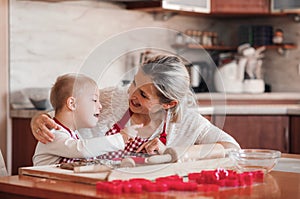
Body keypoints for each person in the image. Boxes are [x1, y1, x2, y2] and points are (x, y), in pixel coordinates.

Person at [31, 55, 240, 160]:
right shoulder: (114, 98)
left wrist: (175, 151)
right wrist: (40, 119)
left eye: (143, 94)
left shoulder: (188, 122)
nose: (131, 94)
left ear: (168, 103)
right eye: (134, 83)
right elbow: (68, 109)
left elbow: (232, 149)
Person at [32, 73, 140, 166]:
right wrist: (120, 138)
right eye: (94, 100)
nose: (100, 106)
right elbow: (82, 149)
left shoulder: (72, 134)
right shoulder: (53, 134)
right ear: (72, 104)